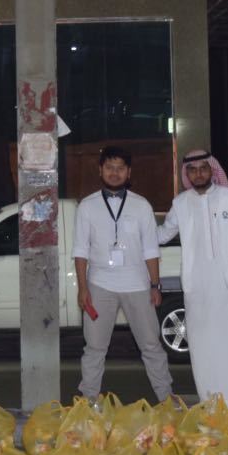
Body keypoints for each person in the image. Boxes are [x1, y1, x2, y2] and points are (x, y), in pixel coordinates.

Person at [157, 150, 228, 403]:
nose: (198, 174)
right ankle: (212, 399)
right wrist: (134, 235)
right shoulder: (180, 204)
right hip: (198, 287)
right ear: (187, 174)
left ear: (211, 170)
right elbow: (161, 235)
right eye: (192, 170)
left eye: (203, 168)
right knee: (204, 344)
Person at [73, 146, 173, 402]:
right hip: (99, 285)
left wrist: (155, 285)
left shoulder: (141, 206)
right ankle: (88, 401)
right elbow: (80, 251)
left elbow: (151, 249)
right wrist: (83, 288)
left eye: (120, 168)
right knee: (94, 348)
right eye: (109, 168)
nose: (114, 173)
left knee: (151, 345)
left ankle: (166, 398)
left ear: (129, 172)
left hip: (138, 284)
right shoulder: (87, 206)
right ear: (100, 170)